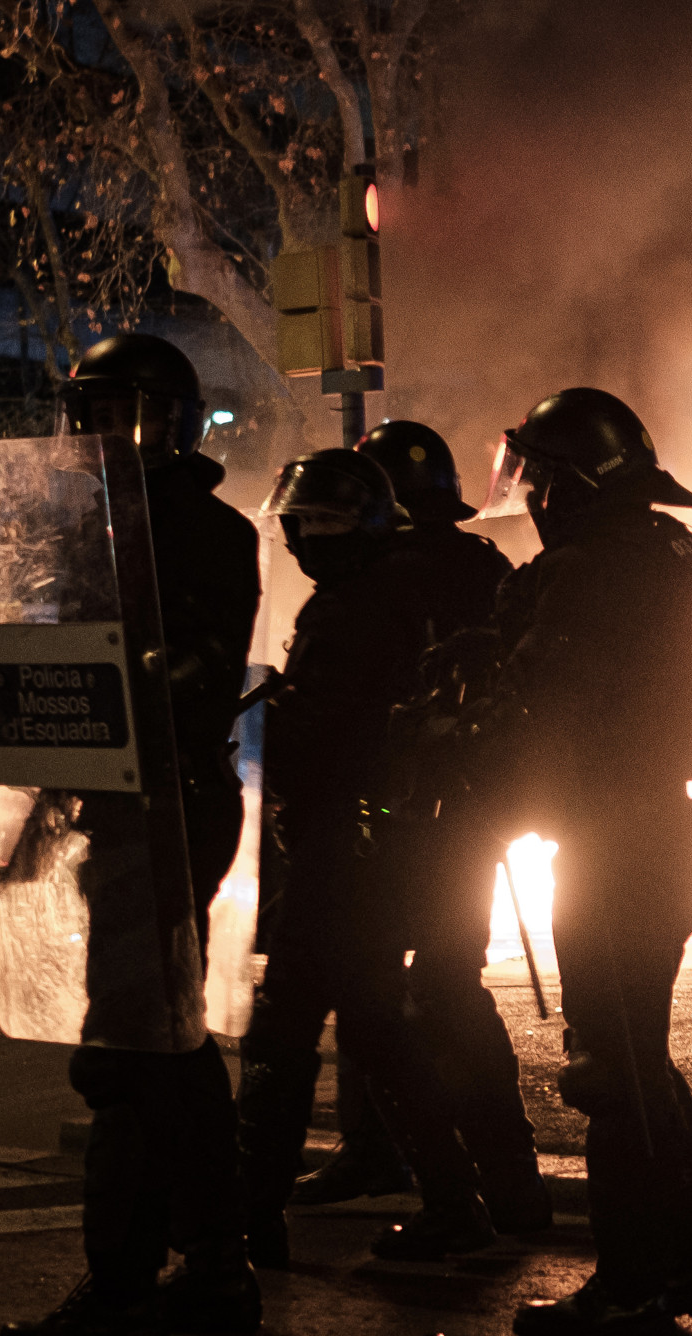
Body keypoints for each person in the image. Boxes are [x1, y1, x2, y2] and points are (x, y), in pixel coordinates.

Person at [5, 332, 261, 1336]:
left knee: (125, 1050)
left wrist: (123, 673)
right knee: (167, 1046)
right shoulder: (87, 528)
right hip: (112, 804)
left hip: (169, 803)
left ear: (167, 417)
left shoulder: (201, 529)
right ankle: (209, 1264)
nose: (96, 431)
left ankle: (126, 1285)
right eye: (87, 414)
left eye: (116, 412)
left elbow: (184, 675)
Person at [473, 388, 692, 1333]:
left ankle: (630, 1285)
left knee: (608, 1069)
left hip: (614, 840)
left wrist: (479, 780)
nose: (532, 496)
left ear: (574, 483)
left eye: (539, 477)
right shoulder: (678, 554)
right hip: (663, 829)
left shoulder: (590, 571)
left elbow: (538, 702)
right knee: (638, 1059)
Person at [234, 449, 509, 1269]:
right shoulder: (389, 594)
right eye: (295, 524)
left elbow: (322, 734)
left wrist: (256, 725)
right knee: (377, 1026)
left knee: (281, 1031)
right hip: (379, 846)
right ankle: (457, 1203)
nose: (296, 540)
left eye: (310, 525)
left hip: (342, 850)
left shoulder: (355, 609)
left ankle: (249, 1220)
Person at [287, 421, 551, 1234]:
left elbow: (362, 714)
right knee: (435, 987)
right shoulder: (481, 563)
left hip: (396, 814)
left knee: (382, 986)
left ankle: (424, 1164)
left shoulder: (378, 577)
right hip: (466, 812)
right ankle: (505, 1177)